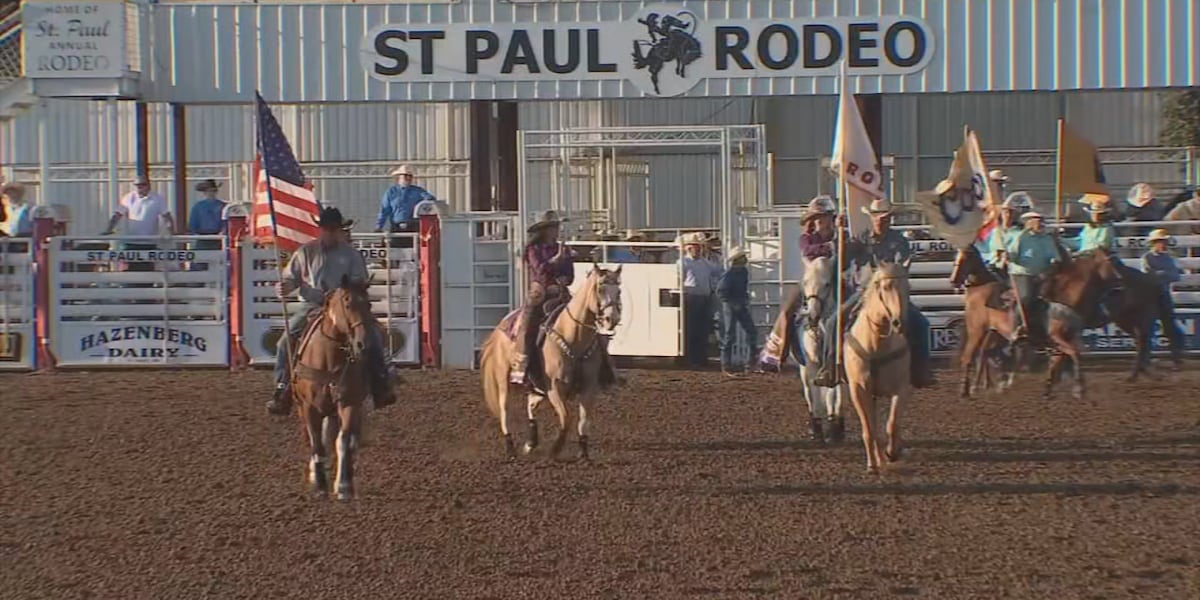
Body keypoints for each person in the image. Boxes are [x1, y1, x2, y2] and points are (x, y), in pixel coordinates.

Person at [266, 206, 396, 416]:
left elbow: (359, 282)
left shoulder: (352, 255)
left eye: (334, 229)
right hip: (312, 306)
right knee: (285, 341)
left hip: (346, 308)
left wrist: (342, 296)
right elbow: (291, 278)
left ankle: (380, 383)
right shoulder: (305, 252)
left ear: (339, 230)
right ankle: (282, 388)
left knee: (372, 336)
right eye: (327, 228)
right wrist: (284, 287)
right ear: (321, 229)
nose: (330, 232)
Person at [835, 198, 935, 388]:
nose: (881, 220)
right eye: (877, 216)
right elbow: (842, 260)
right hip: (863, 292)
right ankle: (832, 366)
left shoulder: (899, 242)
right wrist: (839, 236)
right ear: (871, 218)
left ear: (890, 219)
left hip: (890, 293)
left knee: (921, 324)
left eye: (885, 217)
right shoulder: (860, 239)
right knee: (835, 321)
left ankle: (921, 370)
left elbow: (900, 266)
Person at [510, 211, 575, 385]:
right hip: (539, 294)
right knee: (528, 326)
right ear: (544, 230)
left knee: (585, 319)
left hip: (560, 292)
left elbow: (570, 273)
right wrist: (556, 261)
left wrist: (565, 278)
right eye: (553, 227)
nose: (557, 230)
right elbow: (539, 269)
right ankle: (521, 368)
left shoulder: (564, 248)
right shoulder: (534, 249)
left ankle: (602, 368)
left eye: (557, 226)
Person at [1002, 211, 1060, 342]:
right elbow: (1013, 256)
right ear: (1028, 223)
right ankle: (1017, 328)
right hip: (1022, 274)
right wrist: (1007, 256)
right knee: (1026, 297)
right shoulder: (1019, 236)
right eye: (1037, 221)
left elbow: (1054, 257)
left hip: (1043, 274)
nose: (1040, 224)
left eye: (1041, 221)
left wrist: (1051, 267)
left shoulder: (1047, 238)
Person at [103, 176, 176, 272]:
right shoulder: (129, 197)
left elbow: (167, 216)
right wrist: (109, 229)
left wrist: (172, 232)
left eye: (143, 185)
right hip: (131, 242)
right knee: (130, 270)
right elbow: (117, 215)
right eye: (137, 185)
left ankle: (146, 285)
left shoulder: (157, 199)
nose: (140, 187)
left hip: (149, 242)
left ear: (148, 186)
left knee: (147, 270)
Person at [1140, 229, 1185, 367]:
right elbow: (1149, 276)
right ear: (1155, 243)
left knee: (1169, 327)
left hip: (1162, 294)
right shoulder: (1147, 257)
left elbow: (1175, 276)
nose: (1164, 244)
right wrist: (1164, 274)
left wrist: (1159, 274)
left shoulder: (1166, 258)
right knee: (1148, 328)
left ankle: (1176, 357)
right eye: (1161, 242)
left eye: (1164, 242)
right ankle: (1146, 359)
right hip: (1151, 296)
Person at [717, 246, 757, 376]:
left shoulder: (741, 272)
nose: (745, 259)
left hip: (736, 304)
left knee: (745, 332)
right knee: (730, 334)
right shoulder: (731, 274)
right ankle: (729, 364)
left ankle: (746, 363)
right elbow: (721, 293)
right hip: (731, 305)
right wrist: (737, 302)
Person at [375, 165, 436, 235]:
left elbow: (430, 198)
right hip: (396, 226)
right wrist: (379, 226)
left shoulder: (417, 191)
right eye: (405, 176)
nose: (408, 178)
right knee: (396, 244)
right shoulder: (391, 192)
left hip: (413, 226)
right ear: (399, 177)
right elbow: (384, 210)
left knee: (414, 244)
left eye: (410, 176)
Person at [188, 179, 228, 249]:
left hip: (218, 238)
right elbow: (193, 222)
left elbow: (225, 222)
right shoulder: (198, 206)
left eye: (214, 191)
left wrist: (222, 232)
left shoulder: (223, 205)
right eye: (209, 191)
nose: (211, 193)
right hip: (202, 238)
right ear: (204, 192)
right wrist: (195, 234)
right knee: (202, 258)